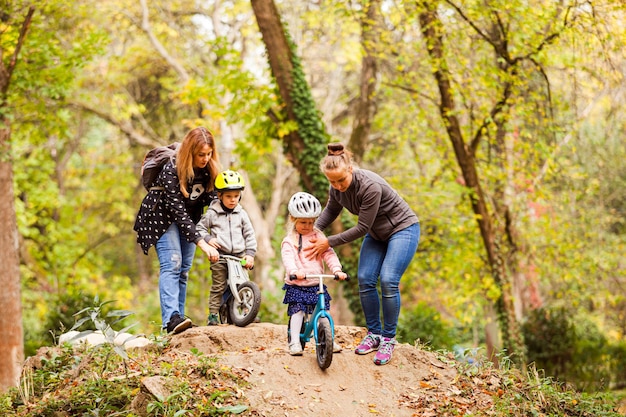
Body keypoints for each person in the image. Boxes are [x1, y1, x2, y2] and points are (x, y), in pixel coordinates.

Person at [306, 143, 420, 366]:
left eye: (341, 180)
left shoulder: (370, 186)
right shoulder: (336, 189)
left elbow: (361, 228)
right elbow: (331, 210)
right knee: (366, 279)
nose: (337, 186)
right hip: (378, 235)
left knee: (388, 280)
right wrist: (314, 231)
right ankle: (374, 334)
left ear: (350, 169)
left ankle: (388, 338)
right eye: (332, 182)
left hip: (403, 230)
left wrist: (328, 242)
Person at [134, 127, 221, 335]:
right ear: (190, 152)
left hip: (190, 218)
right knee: (172, 264)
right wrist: (202, 242)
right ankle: (171, 319)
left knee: (184, 270)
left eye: (209, 154)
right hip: (162, 217)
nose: (205, 158)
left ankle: (180, 321)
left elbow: (214, 200)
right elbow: (177, 211)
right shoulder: (173, 168)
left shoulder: (209, 169)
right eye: (201, 154)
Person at [281, 192, 348, 356]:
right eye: (303, 222)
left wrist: (337, 270)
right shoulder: (290, 240)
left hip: (315, 283)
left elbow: (328, 254)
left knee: (323, 309)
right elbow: (288, 258)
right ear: (293, 219)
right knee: (298, 311)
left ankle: (329, 339)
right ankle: (295, 341)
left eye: (311, 222)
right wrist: (295, 271)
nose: (307, 226)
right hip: (298, 284)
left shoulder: (318, 236)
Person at [196, 170, 257, 326]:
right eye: (228, 196)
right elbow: (199, 229)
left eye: (236, 196)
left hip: (239, 256)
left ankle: (247, 311)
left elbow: (250, 234)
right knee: (219, 285)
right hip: (220, 257)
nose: (232, 200)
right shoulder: (212, 213)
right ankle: (213, 315)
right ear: (219, 195)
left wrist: (250, 254)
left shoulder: (242, 214)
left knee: (243, 283)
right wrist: (209, 239)